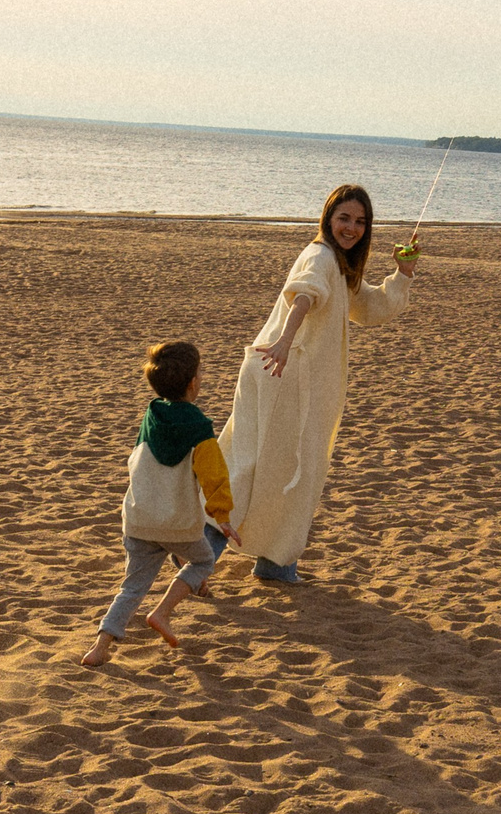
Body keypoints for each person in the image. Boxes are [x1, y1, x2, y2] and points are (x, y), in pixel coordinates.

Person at [220, 183, 419, 584]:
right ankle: (200, 548)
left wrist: (404, 272)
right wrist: (284, 340)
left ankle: (277, 563)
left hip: (297, 380)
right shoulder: (319, 255)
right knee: (252, 466)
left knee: (296, 472)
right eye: (344, 217)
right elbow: (304, 297)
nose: (352, 227)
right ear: (328, 218)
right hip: (282, 372)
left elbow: (370, 308)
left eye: (360, 221)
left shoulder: (341, 265)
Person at [80, 340, 238, 668]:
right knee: (203, 560)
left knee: (132, 586)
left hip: (138, 518)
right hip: (176, 523)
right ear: (194, 382)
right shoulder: (200, 428)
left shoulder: (150, 417)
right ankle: (162, 613)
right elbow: (215, 478)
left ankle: (100, 647)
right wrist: (221, 516)